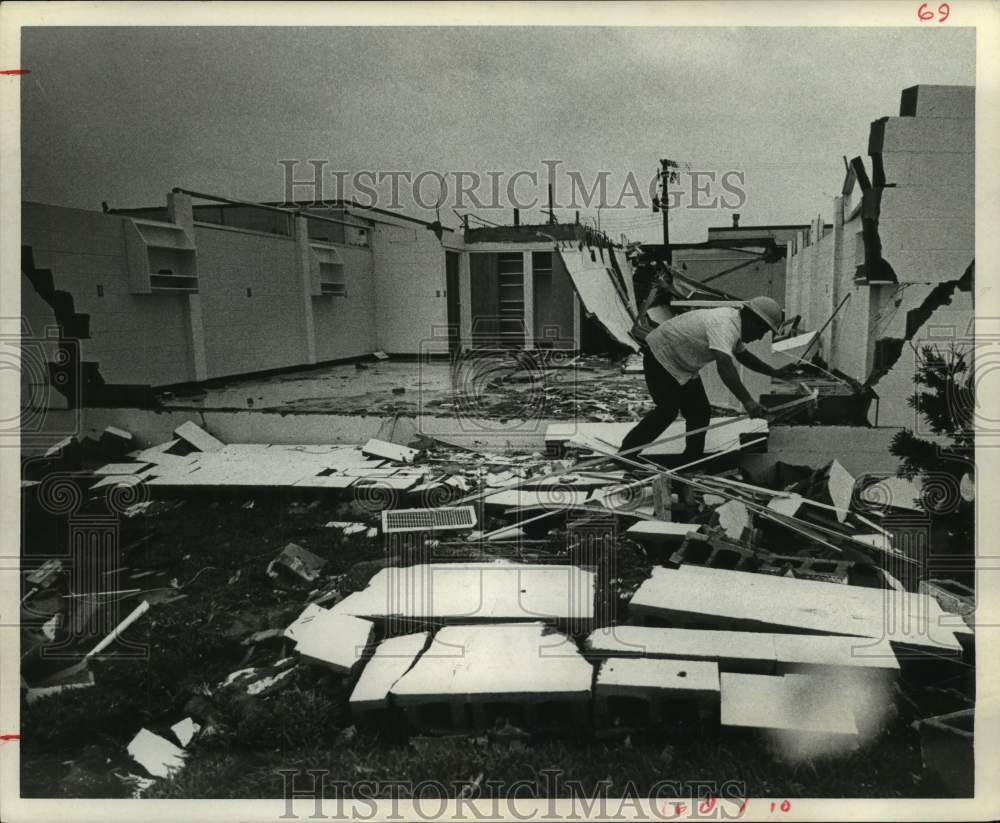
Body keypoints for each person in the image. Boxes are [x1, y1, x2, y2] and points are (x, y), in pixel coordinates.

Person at [620, 295, 793, 460]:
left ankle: (691, 462)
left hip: (683, 365)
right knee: (667, 411)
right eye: (762, 330)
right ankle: (626, 455)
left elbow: (743, 356)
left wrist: (774, 372)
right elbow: (725, 366)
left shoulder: (735, 324)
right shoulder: (724, 324)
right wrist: (748, 402)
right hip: (661, 355)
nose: (760, 337)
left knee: (700, 413)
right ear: (752, 319)